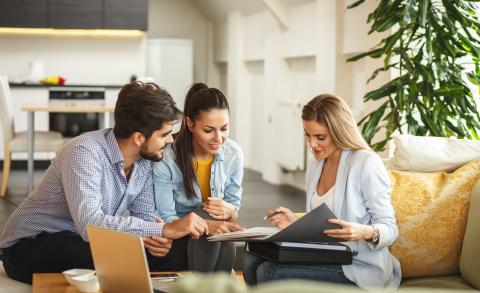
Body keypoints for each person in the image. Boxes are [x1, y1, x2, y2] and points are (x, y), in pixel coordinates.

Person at [0, 81, 209, 284]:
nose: (171, 140)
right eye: (164, 135)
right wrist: (164, 230)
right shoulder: (84, 151)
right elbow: (90, 224)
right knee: (110, 256)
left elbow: (146, 218)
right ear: (138, 138)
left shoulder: (145, 162)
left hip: (83, 240)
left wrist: (159, 239)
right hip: (29, 244)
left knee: (180, 251)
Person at [244, 94, 401, 289]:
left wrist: (363, 231)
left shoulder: (366, 163)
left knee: (270, 272)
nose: (312, 144)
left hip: (358, 265)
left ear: (339, 131)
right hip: (327, 256)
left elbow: (390, 229)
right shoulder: (316, 165)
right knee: (252, 260)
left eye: (320, 137)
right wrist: (296, 222)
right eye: (307, 135)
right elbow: (324, 223)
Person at [153, 83, 244, 272]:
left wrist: (229, 211)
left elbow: (233, 209)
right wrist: (206, 224)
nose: (218, 138)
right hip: (180, 234)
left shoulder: (234, 154)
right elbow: (166, 217)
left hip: (213, 237)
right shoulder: (167, 159)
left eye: (224, 129)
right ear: (190, 124)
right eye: (209, 130)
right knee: (206, 212)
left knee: (216, 217)